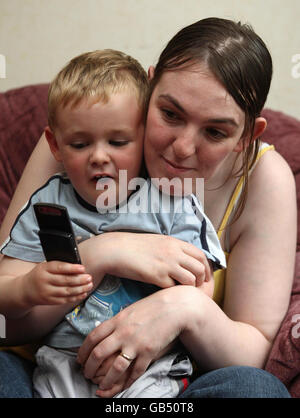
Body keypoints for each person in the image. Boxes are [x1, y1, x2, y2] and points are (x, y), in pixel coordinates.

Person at [0, 17, 295, 398]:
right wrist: (99, 253)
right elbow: (6, 316)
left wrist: (181, 308)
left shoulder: (265, 180)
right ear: (149, 88)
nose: (182, 148)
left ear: (247, 135)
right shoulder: (90, 136)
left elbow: (253, 350)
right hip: (44, 374)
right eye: (169, 114)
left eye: (216, 132)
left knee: (255, 390)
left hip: (163, 390)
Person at [0, 49, 225, 398]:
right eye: (79, 143)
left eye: (118, 142)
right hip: (62, 368)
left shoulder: (170, 202)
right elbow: (4, 290)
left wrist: (175, 307)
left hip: (147, 371)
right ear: (55, 145)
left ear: (145, 136)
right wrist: (27, 287)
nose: (99, 156)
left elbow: (200, 284)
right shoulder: (48, 205)